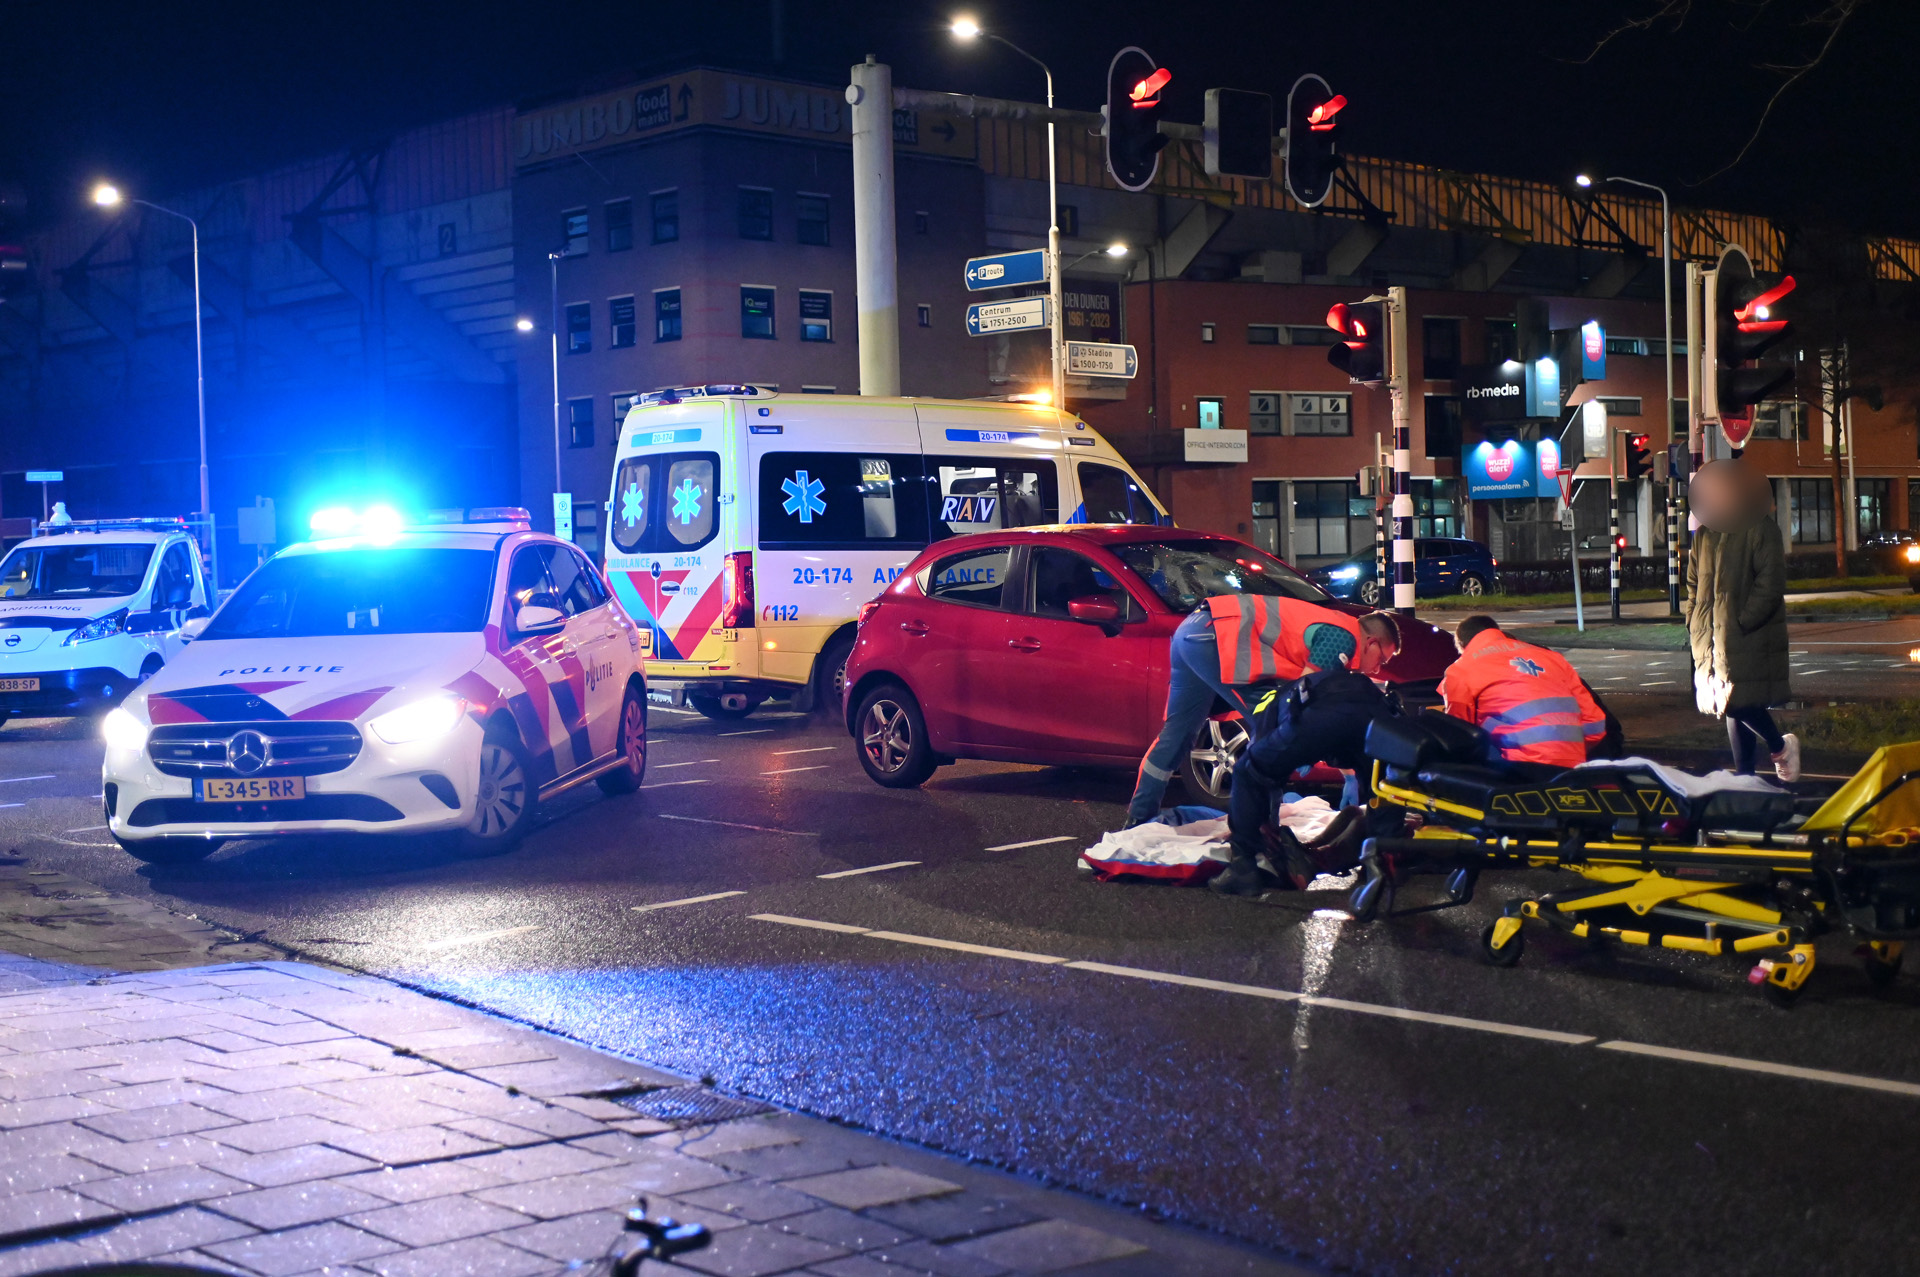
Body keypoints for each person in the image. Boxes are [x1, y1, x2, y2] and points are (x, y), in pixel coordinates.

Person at [1123, 595, 1401, 826]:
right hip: (1218, 637)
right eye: (1382, 659)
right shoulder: (1344, 638)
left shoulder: (1332, 623)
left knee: (1177, 734)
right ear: (1372, 642)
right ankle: (1262, 828)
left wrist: (1347, 773)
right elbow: (1305, 707)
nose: (1376, 669)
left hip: (1192, 631)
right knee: (1269, 728)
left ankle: (1138, 818)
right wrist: (1349, 772)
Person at [1210, 666, 1392, 897]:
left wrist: (1263, 825)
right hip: (1375, 711)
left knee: (1246, 770)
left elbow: (1263, 775)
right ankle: (1381, 861)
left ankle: (1242, 868)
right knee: (1383, 787)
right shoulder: (1345, 676)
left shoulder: (1270, 704)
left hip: (1325, 712)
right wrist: (1352, 778)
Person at [1686, 459, 1799, 781]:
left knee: (1735, 701)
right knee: (1730, 701)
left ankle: (1779, 747)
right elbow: (1693, 585)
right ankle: (1746, 775)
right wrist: (1694, 618)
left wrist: (1743, 621)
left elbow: (1771, 582)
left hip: (1747, 634)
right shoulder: (1705, 534)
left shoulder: (1761, 529)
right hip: (1710, 634)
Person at [1439, 615, 1606, 768]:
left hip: (1515, 767)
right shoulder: (1552, 657)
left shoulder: (1461, 669)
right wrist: (1565, 751)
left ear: (1460, 644)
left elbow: (1460, 734)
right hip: (1572, 764)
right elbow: (1595, 723)